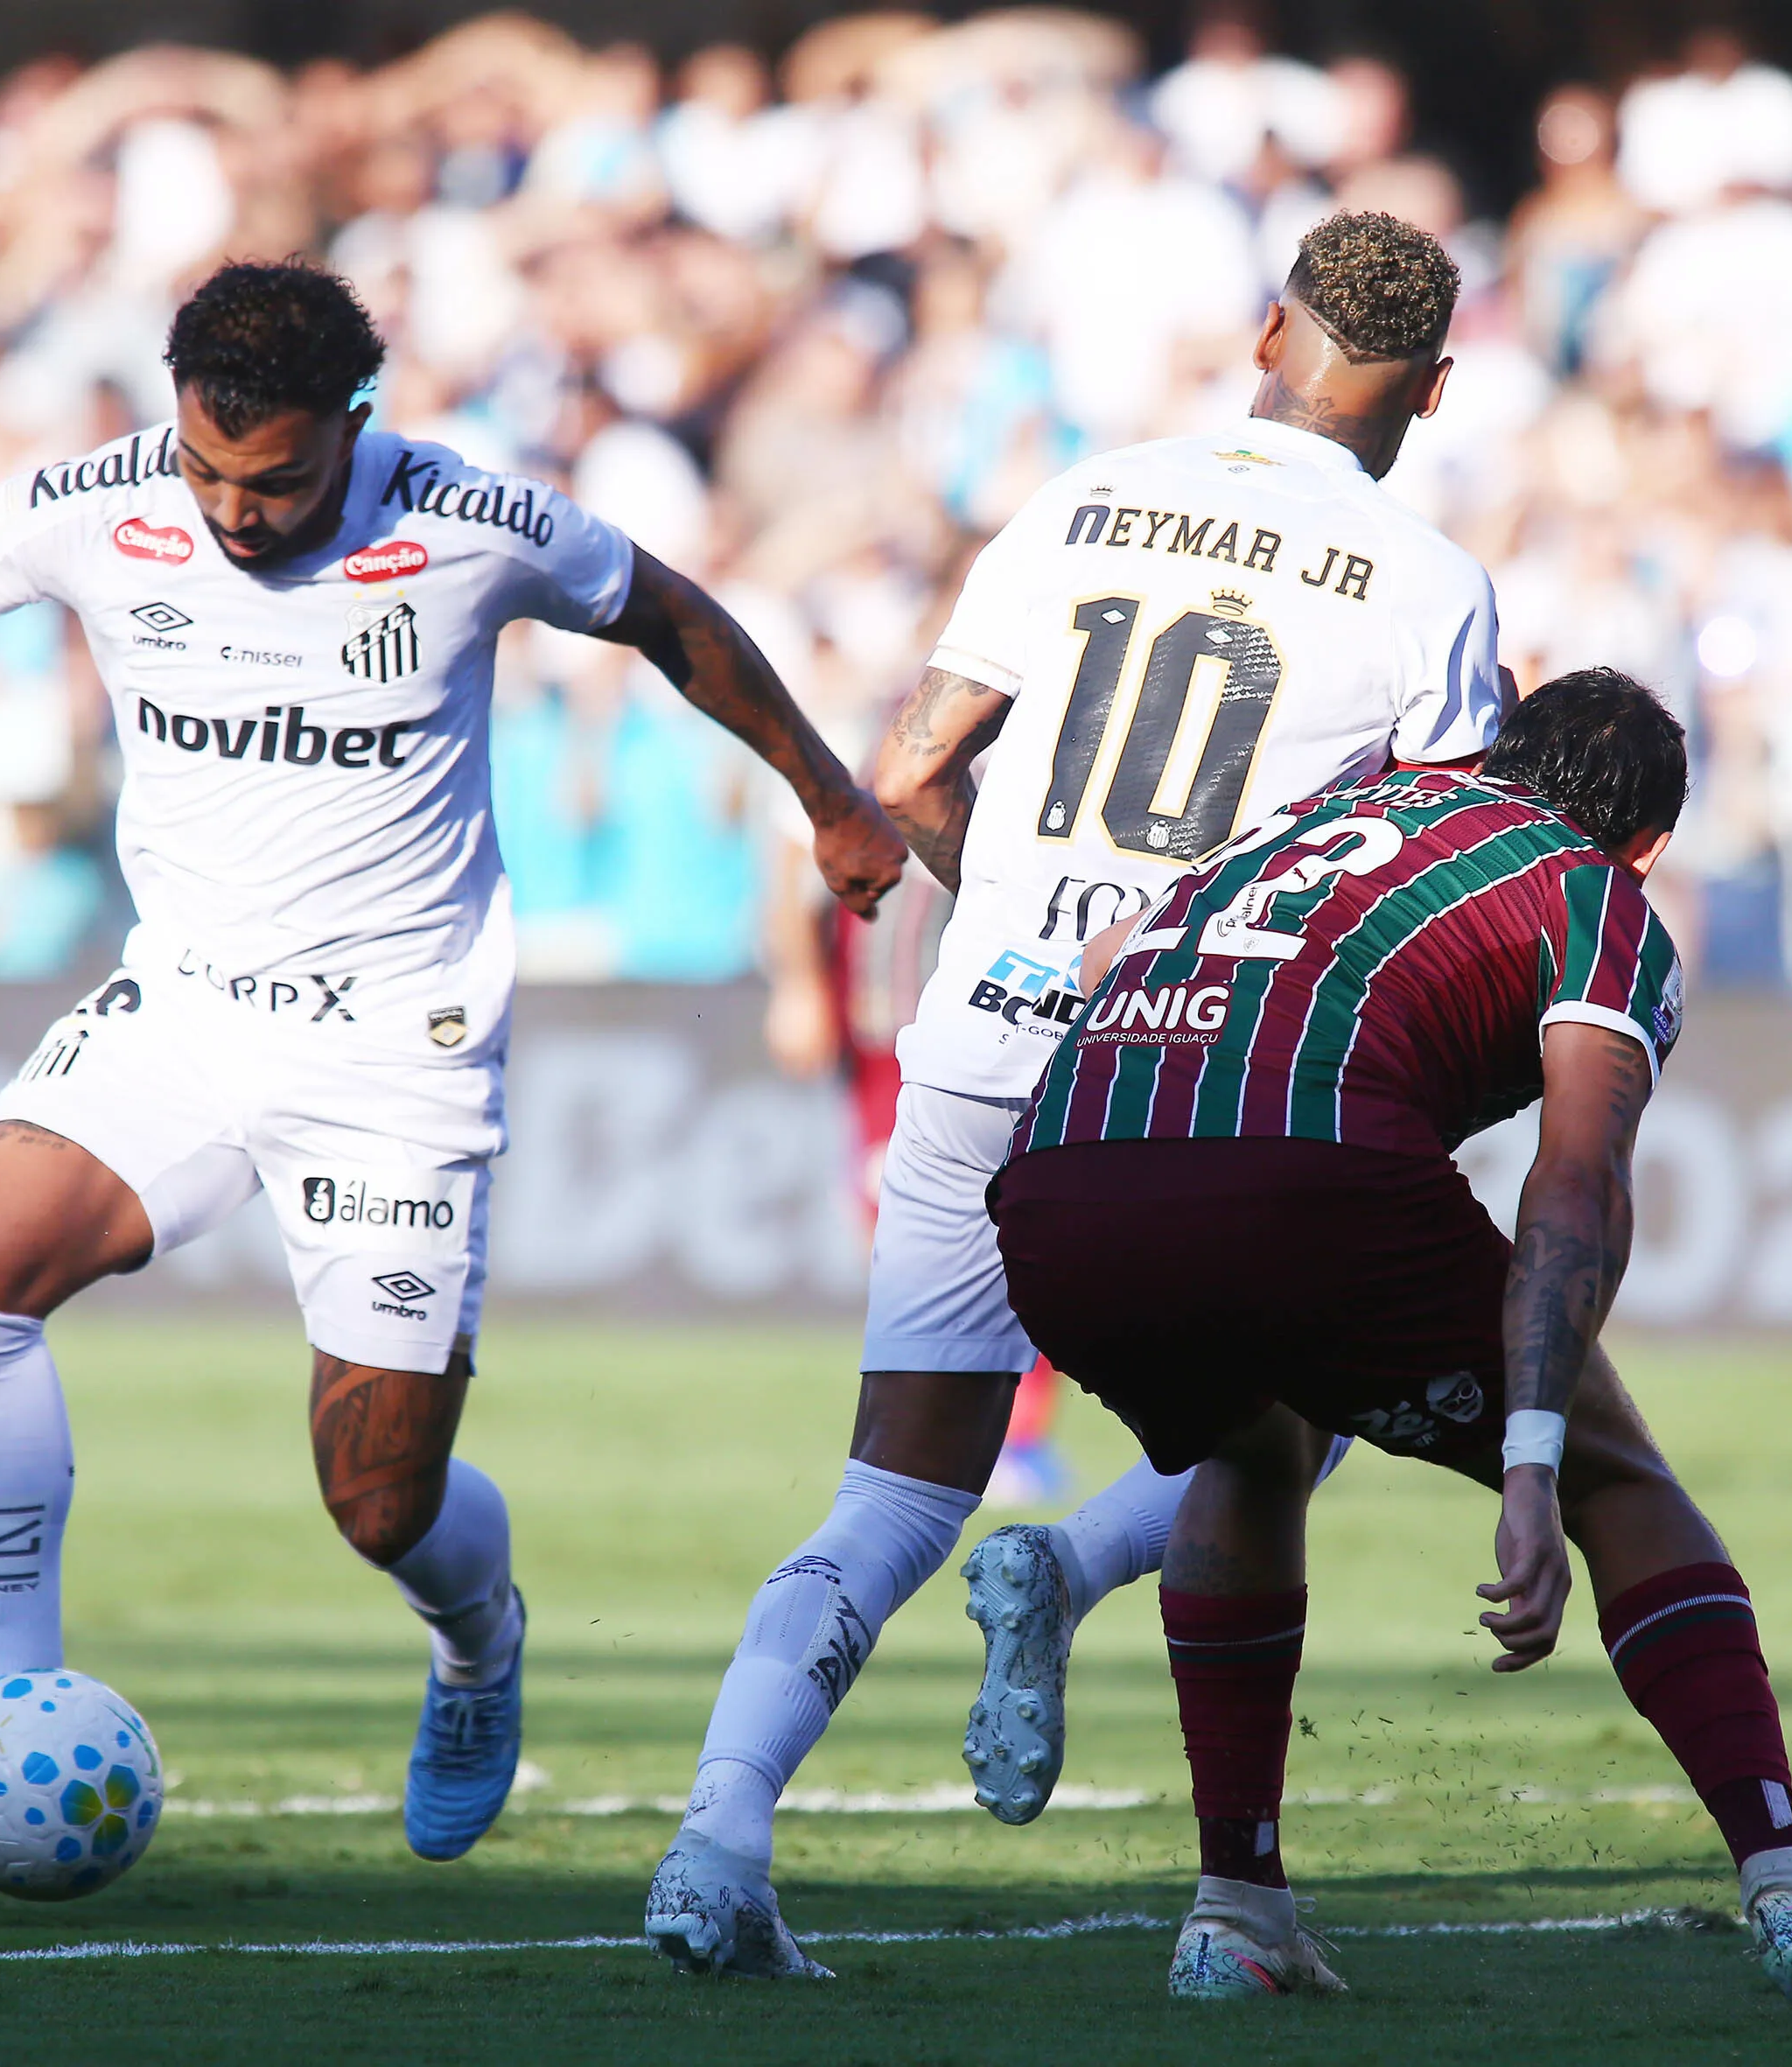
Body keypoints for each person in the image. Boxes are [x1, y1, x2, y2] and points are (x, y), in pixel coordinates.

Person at [0, 261, 903, 1864]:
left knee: (378, 1505)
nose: (238, 514)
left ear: (355, 430)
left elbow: (673, 618)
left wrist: (829, 801)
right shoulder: (98, 503)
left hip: (396, 1045)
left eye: (280, 481)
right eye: (210, 472)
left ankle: (477, 1647)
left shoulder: (467, 523)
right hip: (181, 1004)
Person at [644, 208, 1509, 1978]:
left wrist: (1018, 925)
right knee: (1303, 1410)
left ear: (1269, 334)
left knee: (891, 1485)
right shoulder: (1426, 580)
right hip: (1192, 1068)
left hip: (980, 1033)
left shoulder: (1080, 499)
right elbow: (1436, 861)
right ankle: (1086, 1574)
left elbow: (904, 769)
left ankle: (715, 1840)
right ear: (1433, 386)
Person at [990, 670, 1792, 2014]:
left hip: (1058, 1183)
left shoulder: (1333, 808)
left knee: (1253, 1439)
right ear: (1646, 845)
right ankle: (1788, 1889)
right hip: (1294, 1171)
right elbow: (1577, 1184)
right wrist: (1530, 1461)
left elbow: (1108, 967)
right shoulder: (1594, 895)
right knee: (1616, 1476)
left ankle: (1237, 1912)